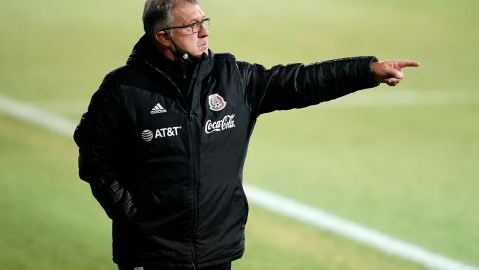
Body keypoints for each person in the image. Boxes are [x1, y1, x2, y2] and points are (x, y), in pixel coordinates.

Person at [73, 0, 419, 269]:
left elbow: (299, 82)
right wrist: (132, 213)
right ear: (162, 36)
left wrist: (366, 71)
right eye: (191, 25)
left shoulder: (232, 78)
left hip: (216, 248)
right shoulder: (123, 89)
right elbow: (93, 155)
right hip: (150, 251)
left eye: (204, 22)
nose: (204, 31)